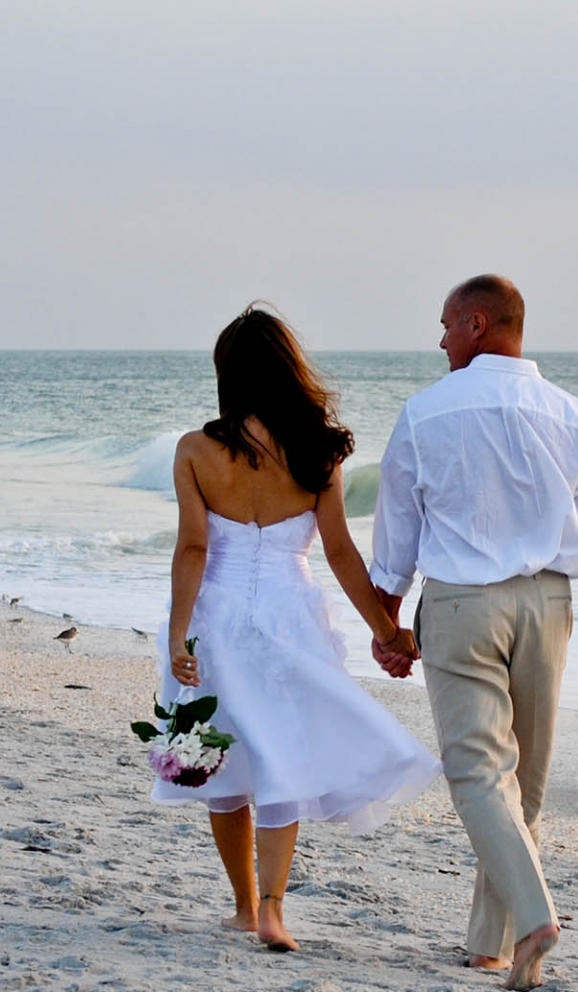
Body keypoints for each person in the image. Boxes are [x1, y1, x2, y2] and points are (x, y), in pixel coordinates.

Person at [368, 275, 578, 990]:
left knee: (478, 772)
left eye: (447, 326)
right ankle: (492, 947)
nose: (440, 339)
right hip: (549, 609)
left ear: (479, 324)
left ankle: (532, 917)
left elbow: (397, 533)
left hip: (462, 604)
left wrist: (387, 621)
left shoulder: (425, 414)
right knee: (524, 785)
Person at [154, 303, 442, 952]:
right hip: (290, 616)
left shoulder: (197, 451)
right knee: (283, 758)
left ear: (229, 374)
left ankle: (243, 904)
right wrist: (387, 630)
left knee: (219, 759)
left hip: (217, 618)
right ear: (290, 370)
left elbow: (193, 549)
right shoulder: (319, 449)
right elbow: (340, 553)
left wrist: (177, 637)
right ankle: (273, 909)